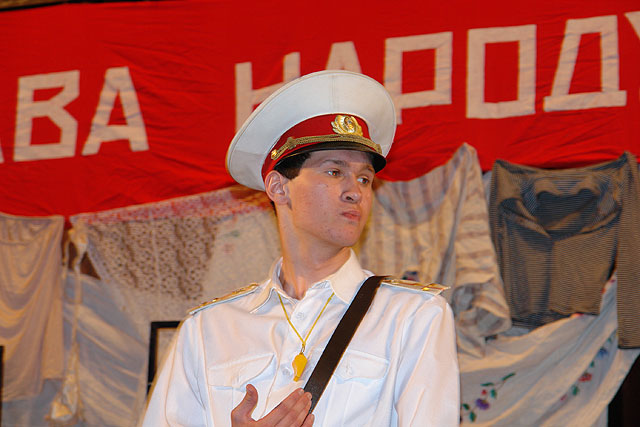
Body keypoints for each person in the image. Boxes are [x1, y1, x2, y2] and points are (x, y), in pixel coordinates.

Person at [141, 70, 460, 426]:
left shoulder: (413, 316)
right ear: (278, 188)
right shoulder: (209, 330)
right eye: (334, 172)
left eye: (364, 178)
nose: (355, 192)